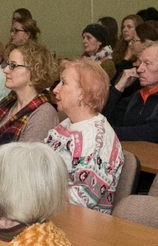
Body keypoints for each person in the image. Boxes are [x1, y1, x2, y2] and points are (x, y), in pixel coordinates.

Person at [0, 41, 61, 174]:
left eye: (13, 66)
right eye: (7, 64)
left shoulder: (44, 114)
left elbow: (26, 168)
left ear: (34, 71)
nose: (5, 70)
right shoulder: (8, 103)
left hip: (10, 183)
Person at [45, 58, 124, 212]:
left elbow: (82, 198)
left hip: (78, 220)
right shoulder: (68, 123)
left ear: (81, 93)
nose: (55, 89)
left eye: (63, 83)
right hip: (51, 209)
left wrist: (34, 193)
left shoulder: (97, 139)